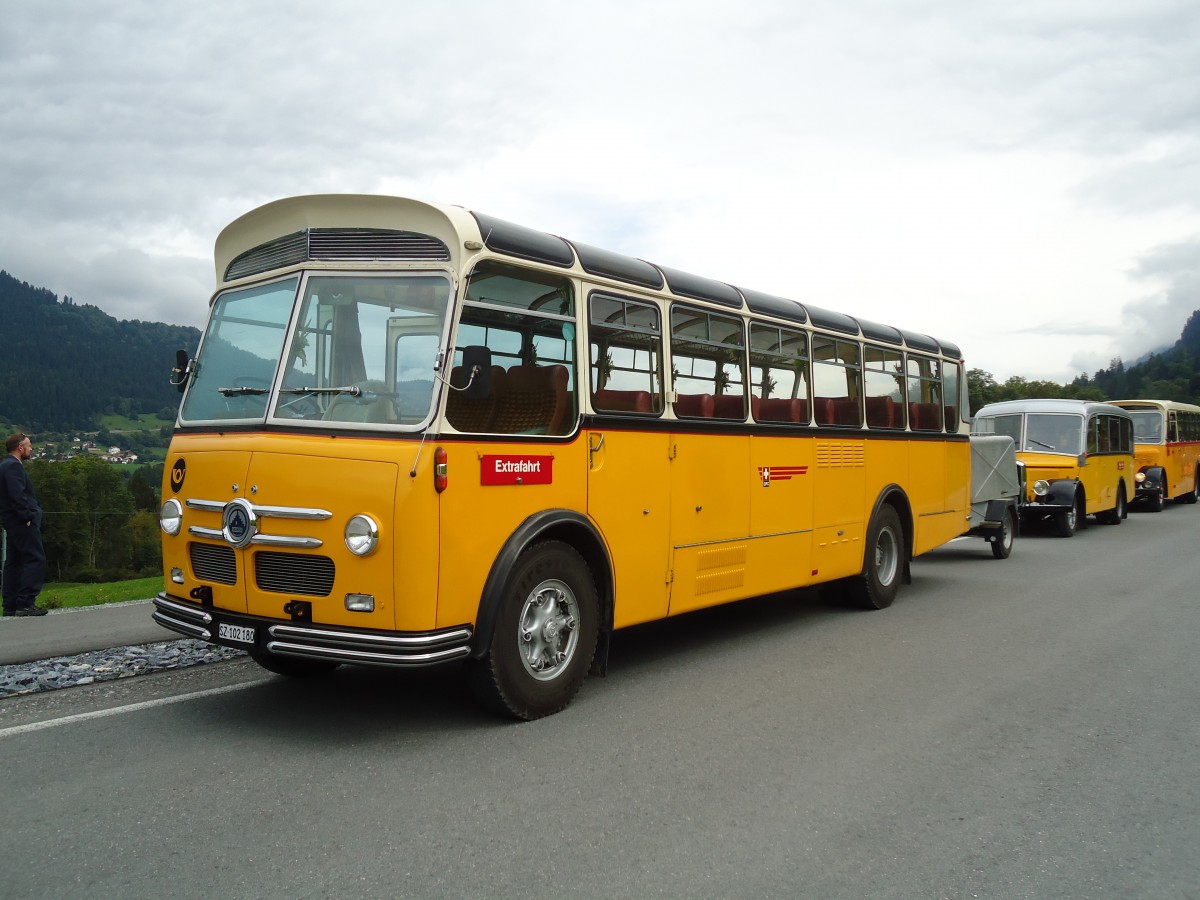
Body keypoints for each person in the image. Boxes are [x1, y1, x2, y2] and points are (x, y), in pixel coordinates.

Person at [1, 433, 47, 616]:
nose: (31, 449)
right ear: (20, 447)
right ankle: (26, 602)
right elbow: (17, 494)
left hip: (11, 522)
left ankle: (11, 604)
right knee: (35, 558)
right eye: (29, 446)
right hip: (22, 521)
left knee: (14, 562)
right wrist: (27, 515)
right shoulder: (13, 467)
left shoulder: (4, 465)